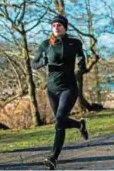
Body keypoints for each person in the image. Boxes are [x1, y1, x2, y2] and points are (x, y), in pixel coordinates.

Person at [31, 15, 89, 170]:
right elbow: (33, 63)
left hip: (69, 87)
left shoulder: (75, 43)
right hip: (52, 89)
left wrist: (82, 67)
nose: (56, 27)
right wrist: (42, 62)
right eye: (54, 25)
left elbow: (81, 57)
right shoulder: (45, 45)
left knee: (60, 120)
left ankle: (53, 158)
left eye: (59, 25)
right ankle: (79, 124)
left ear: (65, 27)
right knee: (60, 121)